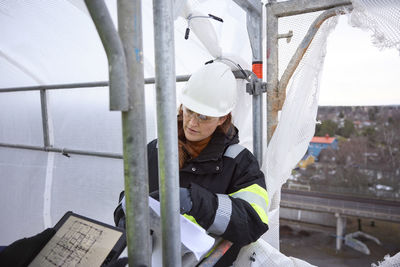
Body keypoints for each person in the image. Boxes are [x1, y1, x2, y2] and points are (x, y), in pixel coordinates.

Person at [114, 62, 269, 266]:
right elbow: (125, 199)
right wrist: (127, 217)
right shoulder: (155, 149)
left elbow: (252, 222)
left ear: (222, 118)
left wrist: (194, 201)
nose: (192, 123)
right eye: (189, 111)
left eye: (203, 117)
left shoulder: (239, 162)